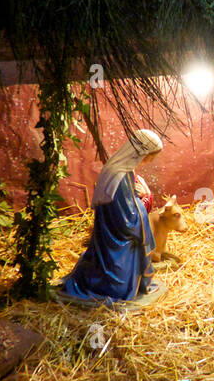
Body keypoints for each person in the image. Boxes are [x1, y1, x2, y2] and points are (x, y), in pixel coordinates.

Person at [59, 129, 164, 303]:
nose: (149, 161)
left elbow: (127, 205)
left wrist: (141, 200)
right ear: (141, 153)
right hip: (116, 240)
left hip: (115, 233)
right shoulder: (120, 175)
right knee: (118, 287)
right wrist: (142, 203)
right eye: (149, 157)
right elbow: (127, 219)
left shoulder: (123, 170)